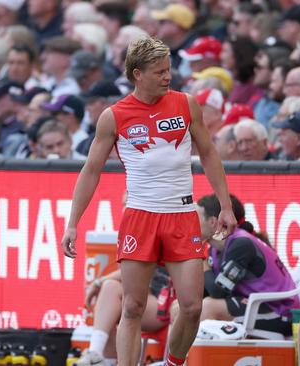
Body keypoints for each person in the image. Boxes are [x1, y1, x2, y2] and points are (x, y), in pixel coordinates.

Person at [61, 37, 236, 366]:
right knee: (132, 307)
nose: (168, 77)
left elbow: (210, 154)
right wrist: (72, 223)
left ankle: (173, 362)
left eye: (169, 70)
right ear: (137, 74)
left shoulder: (186, 104)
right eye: (159, 72)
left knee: (192, 306)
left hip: (182, 214)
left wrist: (225, 205)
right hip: (140, 216)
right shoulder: (114, 116)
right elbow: (90, 171)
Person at [170, 194, 300, 336]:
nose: (190, 224)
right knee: (180, 306)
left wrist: (199, 258)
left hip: (278, 311)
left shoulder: (241, 244)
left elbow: (218, 292)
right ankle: (177, 358)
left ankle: (193, 357)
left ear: (213, 222)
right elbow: (205, 291)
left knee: (208, 308)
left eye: (196, 218)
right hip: (253, 304)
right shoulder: (215, 248)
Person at [75, 267, 171, 366]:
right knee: (110, 288)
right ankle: (96, 355)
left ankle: (97, 358)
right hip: (150, 297)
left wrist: (98, 283)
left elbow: (136, 269)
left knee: (111, 289)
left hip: (170, 305)